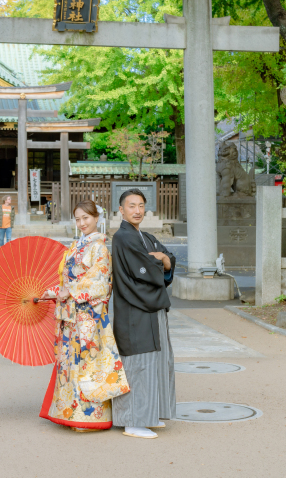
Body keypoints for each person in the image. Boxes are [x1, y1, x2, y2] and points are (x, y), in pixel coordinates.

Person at [39, 200, 129, 431]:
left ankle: (89, 418)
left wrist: (70, 290)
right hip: (71, 314)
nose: (82, 223)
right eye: (78, 219)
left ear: (96, 218)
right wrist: (56, 292)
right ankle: (70, 412)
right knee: (69, 362)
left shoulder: (99, 246)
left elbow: (100, 281)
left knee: (87, 364)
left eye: (86, 218)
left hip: (89, 315)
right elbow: (69, 280)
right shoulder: (77, 245)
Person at [110, 188, 176, 439]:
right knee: (138, 364)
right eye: (131, 206)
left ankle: (148, 414)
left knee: (155, 363)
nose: (137, 210)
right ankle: (132, 421)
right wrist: (162, 260)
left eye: (141, 206)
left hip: (151, 306)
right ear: (121, 210)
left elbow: (167, 258)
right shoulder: (123, 237)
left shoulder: (145, 236)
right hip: (134, 310)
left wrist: (164, 260)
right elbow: (148, 267)